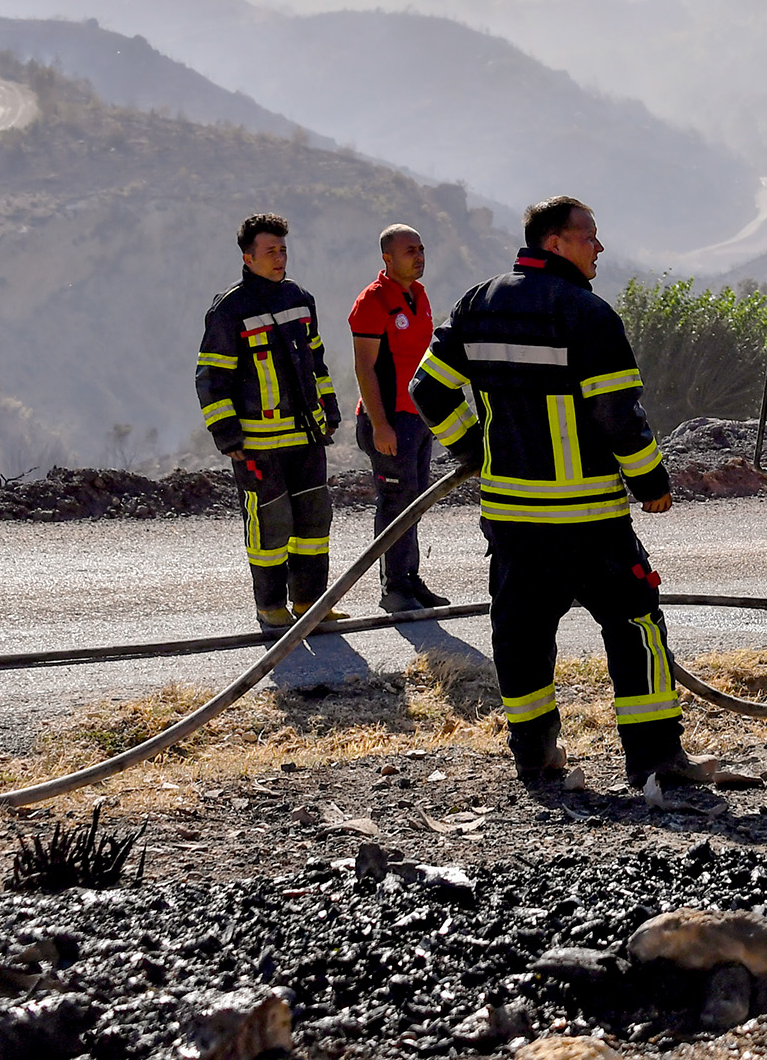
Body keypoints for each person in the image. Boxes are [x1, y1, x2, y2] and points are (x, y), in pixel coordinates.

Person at [408, 194, 715, 789]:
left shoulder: (477, 304)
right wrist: (650, 479)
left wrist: (473, 450)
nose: (598, 248)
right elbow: (616, 415)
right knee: (637, 627)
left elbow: (429, 390)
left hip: (513, 520)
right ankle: (657, 763)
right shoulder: (585, 313)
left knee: (520, 639)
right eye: (589, 237)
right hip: (591, 519)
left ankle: (538, 764)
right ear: (555, 243)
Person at [196, 212, 342, 635]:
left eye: (283, 250)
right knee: (271, 523)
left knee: (314, 520)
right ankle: (271, 607)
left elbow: (316, 361)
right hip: (258, 443)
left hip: (306, 436)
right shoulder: (230, 310)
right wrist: (227, 435)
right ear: (248, 257)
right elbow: (211, 377)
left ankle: (311, 603)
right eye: (270, 252)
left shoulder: (299, 298)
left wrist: (329, 412)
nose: (279, 259)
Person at [347, 223, 451, 613]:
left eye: (421, 248)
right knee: (394, 502)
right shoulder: (372, 301)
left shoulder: (419, 296)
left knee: (415, 502)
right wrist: (380, 425)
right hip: (388, 420)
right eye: (410, 250)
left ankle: (410, 580)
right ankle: (393, 588)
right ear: (387, 258)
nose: (419, 255)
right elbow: (365, 368)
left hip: (418, 418)